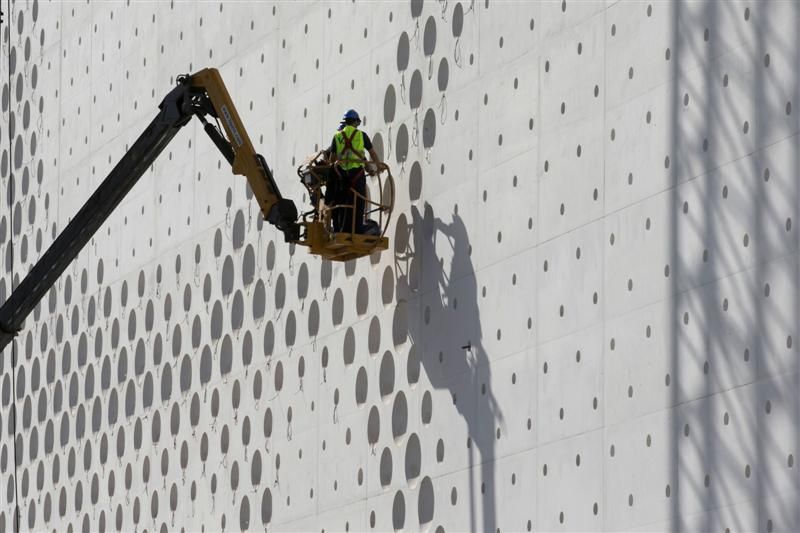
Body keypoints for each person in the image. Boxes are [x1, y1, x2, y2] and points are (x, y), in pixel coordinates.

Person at [327, 109, 383, 235]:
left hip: (342, 176)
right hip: (357, 175)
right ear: (356, 122)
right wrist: (378, 166)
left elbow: (332, 159)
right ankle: (357, 228)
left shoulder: (337, 136)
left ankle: (339, 229)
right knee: (358, 202)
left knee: (342, 202)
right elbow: (372, 153)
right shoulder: (361, 135)